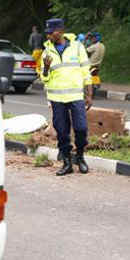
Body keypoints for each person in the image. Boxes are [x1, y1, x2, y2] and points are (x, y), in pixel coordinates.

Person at [40, 18, 93, 176]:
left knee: (81, 129)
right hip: (57, 99)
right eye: (47, 33)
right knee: (62, 132)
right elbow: (44, 78)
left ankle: (80, 156)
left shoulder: (77, 47)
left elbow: (85, 70)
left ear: (60, 31)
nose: (49, 36)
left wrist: (89, 93)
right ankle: (67, 162)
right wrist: (46, 68)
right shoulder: (47, 51)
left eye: (51, 33)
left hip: (76, 96)